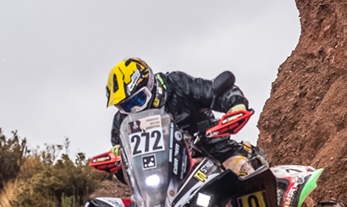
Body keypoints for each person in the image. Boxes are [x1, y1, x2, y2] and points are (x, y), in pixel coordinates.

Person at [105, 57, 254, 178]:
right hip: (167, 176)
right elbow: (129, 175)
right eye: (125, 106)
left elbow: (215, 92)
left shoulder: (178, 84)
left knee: (244, 175)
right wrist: (118, 160)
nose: (133, 109)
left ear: (150, 85)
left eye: (137, 100)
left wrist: (236, 105)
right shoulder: (122, 121)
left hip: (215, 152)